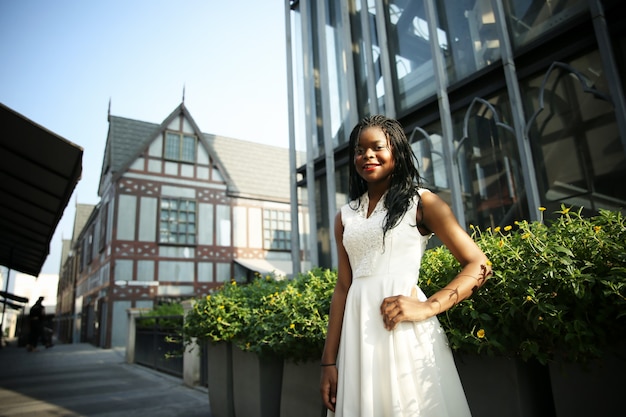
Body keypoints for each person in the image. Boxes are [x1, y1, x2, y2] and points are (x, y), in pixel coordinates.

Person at [319, 115, 491, 416]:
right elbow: (343, 288)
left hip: (405, 334)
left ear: (396, 152)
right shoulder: (344, 217)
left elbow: (479, 264)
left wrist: (428, 307)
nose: (367, 155)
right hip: (356, 343)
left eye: (377, 147)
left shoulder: (422, 202)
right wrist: (328, 362)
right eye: (359, 150)